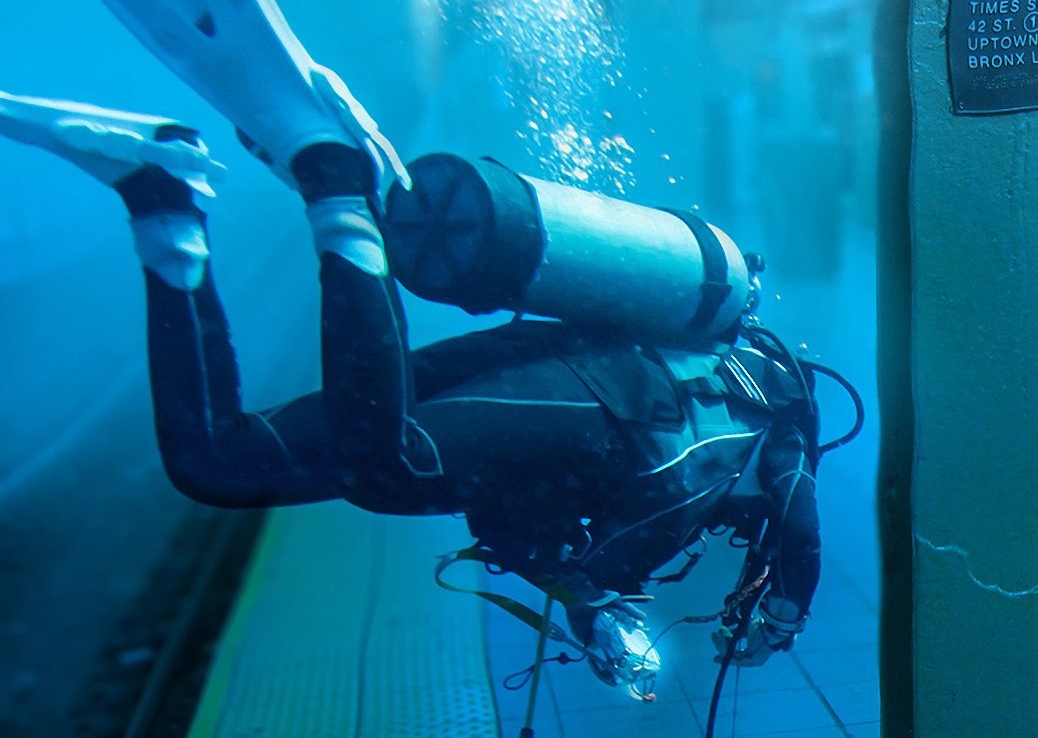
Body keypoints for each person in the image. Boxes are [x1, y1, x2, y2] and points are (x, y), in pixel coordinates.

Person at [0, 92, 828, 695]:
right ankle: (339, 184)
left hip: (562, 390)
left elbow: (534, 528)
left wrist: (592, 605)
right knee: (385, 463)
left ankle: (163, 198)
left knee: (217, 463)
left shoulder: (725, 471)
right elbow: (800, 523)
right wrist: (784, 617)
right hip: (606, 397)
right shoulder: (781, 423)